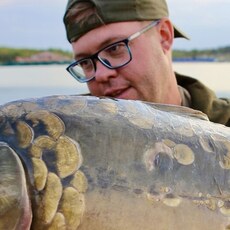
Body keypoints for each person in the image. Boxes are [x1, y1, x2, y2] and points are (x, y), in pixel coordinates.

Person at [63, 0, 230, 127]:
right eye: (85, 62)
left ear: (164, 36)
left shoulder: (224, 131)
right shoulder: (66, 136)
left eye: (114, 48)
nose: (101, 74)